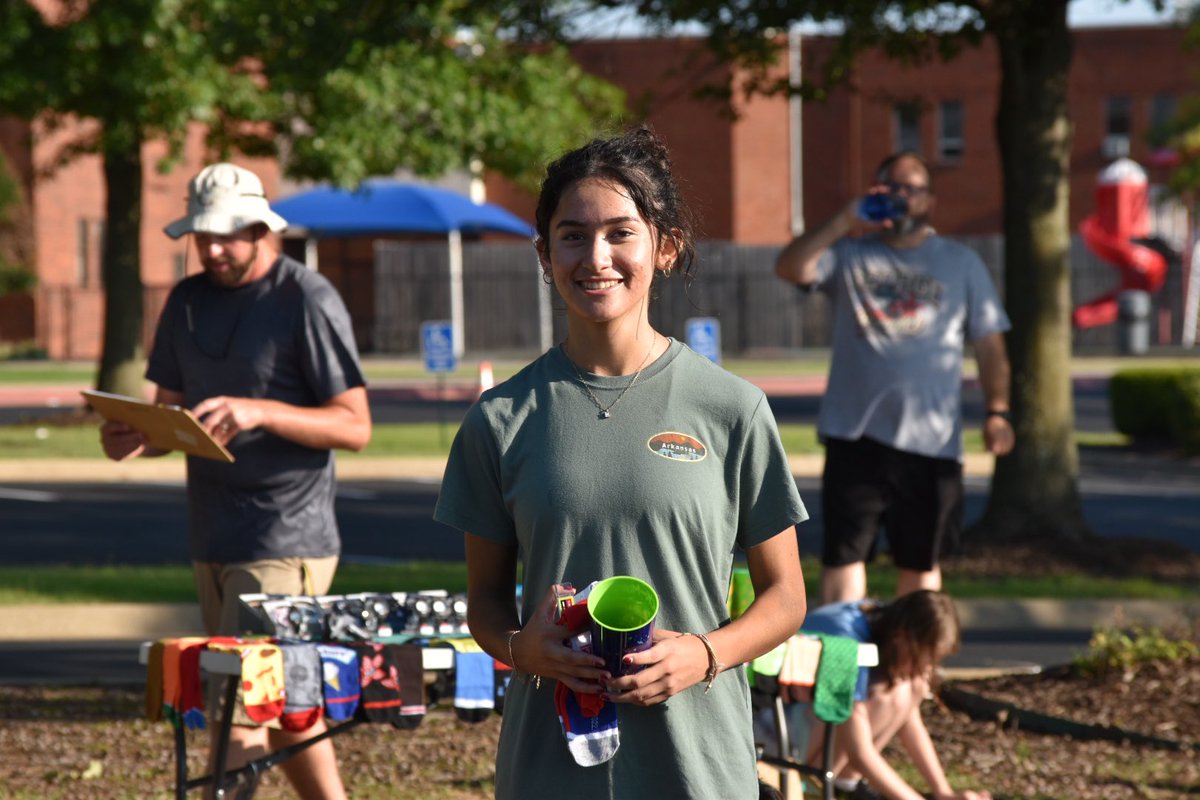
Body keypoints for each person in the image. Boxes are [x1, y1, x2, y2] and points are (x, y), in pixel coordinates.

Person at [433, 127, 810, 799]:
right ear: (545, 255)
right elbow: (486, 602)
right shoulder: (500, 418)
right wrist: (521, 647)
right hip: (551, 769)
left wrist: (704, 653)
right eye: (573, 235)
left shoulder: (732, 408)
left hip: (699, 767)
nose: (596, 256)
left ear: (665, 248)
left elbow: (786, 597)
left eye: (620, 233)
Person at [100, 162, 370, 800]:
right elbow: (171, 412)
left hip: (286, 539)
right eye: (202, 235)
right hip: (213, 536)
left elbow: (355, 425)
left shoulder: (305, 296)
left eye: (226, 234)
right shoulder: (186, 301)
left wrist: (258, 410)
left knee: (238, 707)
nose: (213, 248)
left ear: (260, 227)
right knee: (287, 711)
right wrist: (137, 438)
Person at [774, 151, 1015, 605]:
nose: (903, 197)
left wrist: (998, 411)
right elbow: (790, 267)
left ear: (930, 201)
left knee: (921, 568)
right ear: (877, 193)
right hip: (855, 436)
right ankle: (845, 673)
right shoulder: (849, 254)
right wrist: (844, 221)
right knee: (843, 563)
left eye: (913, 188)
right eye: (892, 188)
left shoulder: (960, 263)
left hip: (931, 442)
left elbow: (990, 346)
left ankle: (911, 674)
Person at [776, 590, 991, 800]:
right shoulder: (848, 643)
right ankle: (817, 782)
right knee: (893, 691)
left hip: (804, 722)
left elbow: (911, 721)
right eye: (925, 658)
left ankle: (842, 780)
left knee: (912, 683)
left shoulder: (884, 621)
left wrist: (943, 792)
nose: (928, 667)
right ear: (903, 637)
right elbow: (859, 754)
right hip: (778, 726)